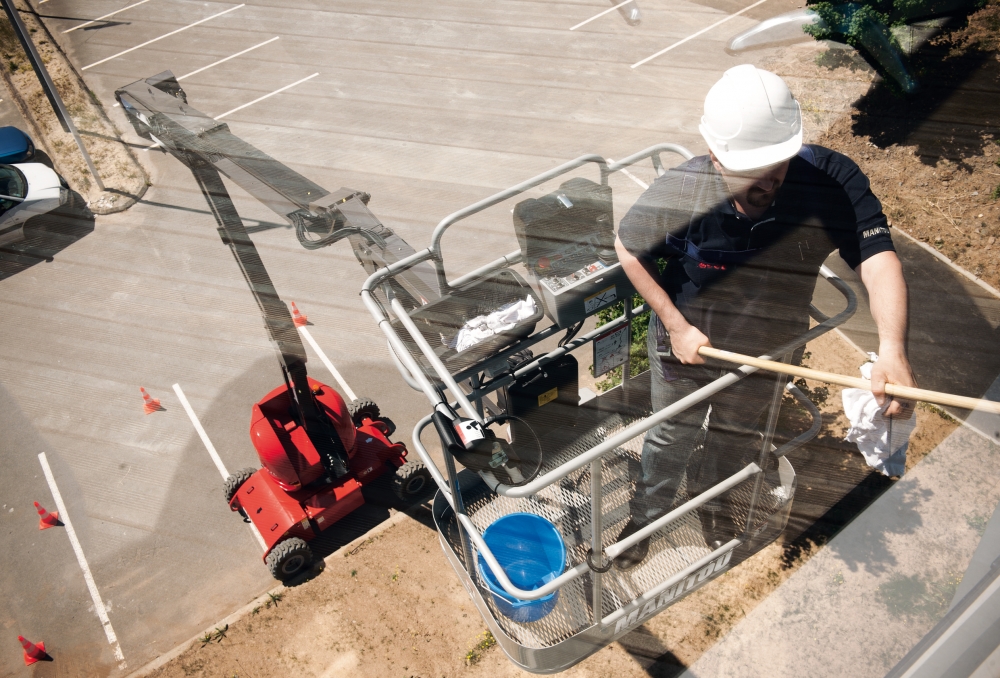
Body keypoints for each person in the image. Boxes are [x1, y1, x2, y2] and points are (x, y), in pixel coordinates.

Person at [612, 64, 917, 570]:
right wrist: (675, 325)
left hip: (769, 349)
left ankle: (712, 502)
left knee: (735, 434)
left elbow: (878, 259)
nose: (769, 181)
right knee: (670, 435)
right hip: (688, 344)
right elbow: (628, 246)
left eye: (779, 162)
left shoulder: (830, 182)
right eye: (751, 169)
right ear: (715, 157)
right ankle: (647, 515)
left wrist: (892, 349)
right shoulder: (682, 191)